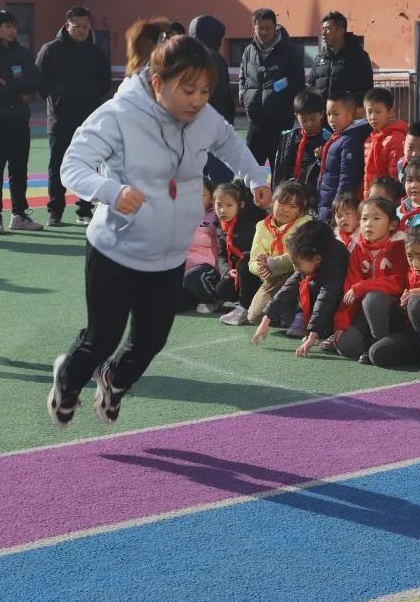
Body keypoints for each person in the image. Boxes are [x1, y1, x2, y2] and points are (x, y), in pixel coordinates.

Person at [47, 35, 267, 427]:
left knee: (150, 340)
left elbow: (229, 143)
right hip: (115, 250)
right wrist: (112, 192)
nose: (197, 100)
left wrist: (255, 176)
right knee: (102, 338)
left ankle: (115, 381)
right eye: (187, 89)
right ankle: (68, 379)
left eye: (205, 91)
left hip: (169, 254)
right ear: (157, 83)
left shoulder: (203, 118)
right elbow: (73, 166)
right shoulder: (118, 115)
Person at [36, 6, 111, 227]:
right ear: (67, 25)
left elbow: (105, 83)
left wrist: (92, 99)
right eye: (77, 26)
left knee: (90, 163)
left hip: (90, 118)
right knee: (57, 163)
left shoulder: (97, 53)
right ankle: (55, 211)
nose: (82, 30)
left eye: (86, 26)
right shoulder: (50, 50)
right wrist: (56, 100)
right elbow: (39, 80)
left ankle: (84, 210)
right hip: (60, 118)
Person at [0, 8, 41, 234]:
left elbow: (34, 80)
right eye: (7, 26)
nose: (13, 31)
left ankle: (19, 214)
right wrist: (17, 93)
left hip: (19, 118)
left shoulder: (22, 52)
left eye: (14, 26)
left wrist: (8, 84)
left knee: (19, 169)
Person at [252, 220, 349, 354]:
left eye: (297, 264)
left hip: (346, 306)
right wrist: (266, 320)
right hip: (326, 293)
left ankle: (329, 332)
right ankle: (320, 331)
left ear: (317, 259)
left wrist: (312, 335)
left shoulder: (336, 263)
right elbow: (288, 289)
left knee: (314, 287)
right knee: (306, 284)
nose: (295, 268)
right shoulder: (309, 258)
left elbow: (327, 298)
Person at [333, 197, 409, 365]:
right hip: (367, 312)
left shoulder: (401, 247)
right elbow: (349, 290)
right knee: (345, 345)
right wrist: (342, 322)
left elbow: (400, 282)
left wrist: (363, 286)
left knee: (373, 298)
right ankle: (374, 344)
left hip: (395, 311)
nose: (368, 224)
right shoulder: (358, 250)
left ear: (392, 225)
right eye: (364, 218)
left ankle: (380, 344)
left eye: (376, 218)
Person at [227, 181, 312, 327]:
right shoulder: (262, 226)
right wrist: (260, 268)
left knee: (300, 265)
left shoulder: (305, 224)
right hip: (273, 277)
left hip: (297, 274)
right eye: (282, 203)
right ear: (273, 202)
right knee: (254, 316)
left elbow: (300, 256)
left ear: (300, 211)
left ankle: (297, 313)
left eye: (292, 206)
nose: (285, 209)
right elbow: (253, 260)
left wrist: (271, 263)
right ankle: (283, 315)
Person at [239, 8, 306, 167]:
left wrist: (281, 93)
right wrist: (243, 95)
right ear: (254, 28)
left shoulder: (290, 51)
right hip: (255, 120)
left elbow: (298, 81)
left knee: (280, 169)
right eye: (260, 28)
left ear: (275, 27)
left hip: (280, 121)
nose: (264, 32)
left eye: (268, 28)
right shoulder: (249, 50)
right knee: (250, 168)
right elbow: (243, 76)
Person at [211, 181, 262, 320]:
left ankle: (245, 306)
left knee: (246, 258)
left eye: (229, 205)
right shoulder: (220, 227)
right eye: (218, 205)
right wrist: (227, 271)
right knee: (221, 289)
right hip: (237, 273)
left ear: (240, 206)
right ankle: (241, 300)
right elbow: (222, 255)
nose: (223, 210)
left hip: (254, 271)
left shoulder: (248, 223)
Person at [317, 90, 371, 221]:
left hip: (336, 208)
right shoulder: (339, 136)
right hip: (327, 201)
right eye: (328, 114)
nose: (331, 119)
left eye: (336, 114)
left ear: (351, 114)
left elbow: (347, 178)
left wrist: (339, 209)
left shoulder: (349, 141)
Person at [308, 11, 374, 108]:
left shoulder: (359, 57)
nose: (323, 33)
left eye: (328, 29)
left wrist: (346, 103)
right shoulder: (320, 57)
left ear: (341, 31)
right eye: (323, 29)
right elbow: (310, 86)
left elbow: (366, 91)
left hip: (347, 114)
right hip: (321, 114)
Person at [273, 89, 330, 192]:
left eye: (313, 119)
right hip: (288, 188)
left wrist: (323, 157)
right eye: (304, 120)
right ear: (296, 116)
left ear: (322, 114)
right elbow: (280, 167)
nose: (309, 124)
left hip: (312, 191)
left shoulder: (327, 139)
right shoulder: (289, 137)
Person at [180, 178, 221, 313]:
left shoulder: (216, 215)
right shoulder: (180, 215)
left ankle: (214, 299)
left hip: (207, 268)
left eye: (202, 194)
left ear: (211, 198)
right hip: (183, 269)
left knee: (192, 277)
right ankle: (195, 299)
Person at [187, 15, 234, 124]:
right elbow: (223, 98)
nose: (220, 44)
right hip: (212, 122)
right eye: (219, 39)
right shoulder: (214, 59)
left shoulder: (182, 57)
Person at [362, 87, 408, 197]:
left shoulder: (396, 138)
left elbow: (395, 175)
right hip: (372, 197)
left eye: (378, 112)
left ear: (390, 113)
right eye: (369, 112)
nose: (373, 117)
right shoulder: (370, 139)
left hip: (386, 198)